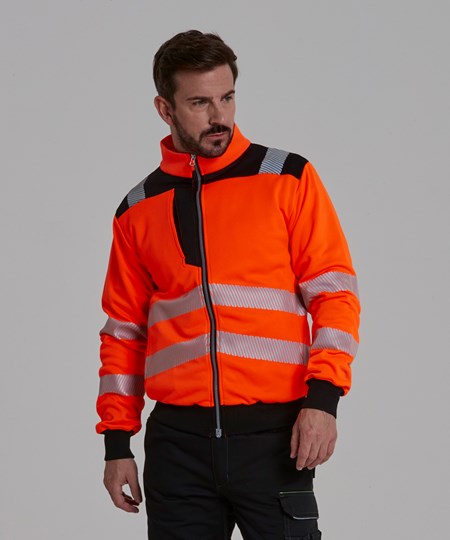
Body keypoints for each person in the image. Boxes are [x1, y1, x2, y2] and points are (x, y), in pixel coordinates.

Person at [96, 30, 360, 540]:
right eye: (200, 102)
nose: (219, 116)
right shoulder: (137, 210)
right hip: (177, 448)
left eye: (227, 97)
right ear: (165, 109)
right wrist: (117, 442)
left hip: (275, 438)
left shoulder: (287, 178)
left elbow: (335, 296)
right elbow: (124, 334)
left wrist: (323, 401)